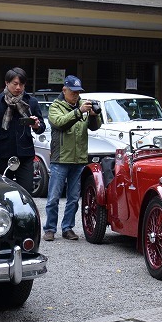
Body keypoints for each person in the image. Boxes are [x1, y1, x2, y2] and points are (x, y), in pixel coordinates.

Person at [44, 75, 101, 241]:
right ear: (64, 90)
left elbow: (95, 127)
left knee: (74, 198)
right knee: (54, 197)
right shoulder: (55, 106)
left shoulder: (83, 105)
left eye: (78, 92)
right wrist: (79, 112)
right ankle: (50, 229)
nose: (76, 95)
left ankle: (67, 228)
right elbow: (60, 123)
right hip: (60, 159)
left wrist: (93, 114)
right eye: (73, 91)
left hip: (78, 159)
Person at [0, 68, 45, 194]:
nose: (18, 88)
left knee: (26, 192)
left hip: (25, 154)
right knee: (2, 192)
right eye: (15, 84)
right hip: (3, 154)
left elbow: (41, 127)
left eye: (21, 84)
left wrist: (36, 125)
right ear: (7, 83)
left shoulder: (31, 102)